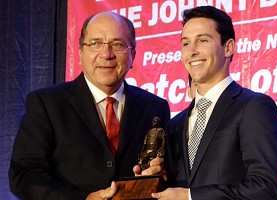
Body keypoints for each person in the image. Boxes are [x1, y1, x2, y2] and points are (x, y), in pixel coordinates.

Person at [9, 11, 170, 200]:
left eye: (117, 44)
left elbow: (168, 175)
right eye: (95, 43)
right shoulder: (46, 104)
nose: (106, 54)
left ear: (133, 54)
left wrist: (161, 174)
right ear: (80, 53)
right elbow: (24, 176)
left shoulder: (155, 107)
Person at [152, 6, 277, 200]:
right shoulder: (175, 124)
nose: (192, 51)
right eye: (186, 43)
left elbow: (267, 188)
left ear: (228, 47)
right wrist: (156, 180)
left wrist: (191, 197)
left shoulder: (254, 107)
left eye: (203, 40)